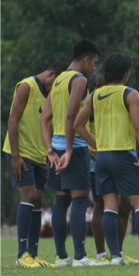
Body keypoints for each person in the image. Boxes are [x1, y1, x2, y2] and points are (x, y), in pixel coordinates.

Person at [74, 52, 139, 265]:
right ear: (125, 73)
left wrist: (96, 145)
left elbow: (77, 125)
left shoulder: (95, 95)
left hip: (102, 159)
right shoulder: (130, 94)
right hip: (124, 156)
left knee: (110, 205)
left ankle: (116, 256)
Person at [40, 39, 100, 267]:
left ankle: (61, 256)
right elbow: (71, 118)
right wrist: (68, 150)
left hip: (55, 147)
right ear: (85, 59)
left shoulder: (57, 80)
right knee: (81, 197)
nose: (94, 68)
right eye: (94, 63)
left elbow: (44, 119)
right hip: (73, 147)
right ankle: (80, 257)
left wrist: (50, 151)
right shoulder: (79, 80)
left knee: (61, 199)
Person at [3, 62, 67, 267]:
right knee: (29, 196)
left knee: (38, 200)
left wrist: (48, 152)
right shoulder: (26, 86)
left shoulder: (50, 95)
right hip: (21, 153)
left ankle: (33, 253)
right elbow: (12, 121)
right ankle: (22, 255)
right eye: (56, 83)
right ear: (51, 74)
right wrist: (15, 156)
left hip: (40, 155)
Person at [88, 71, 137, 265]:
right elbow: (76, 127)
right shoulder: (91, 101)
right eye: (99, 87)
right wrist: (95, 148)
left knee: (124, 205)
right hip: (98, 162)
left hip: (120, 159)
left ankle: (118, 252)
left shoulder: (119, 98)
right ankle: (101, 255)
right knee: (101, 205)